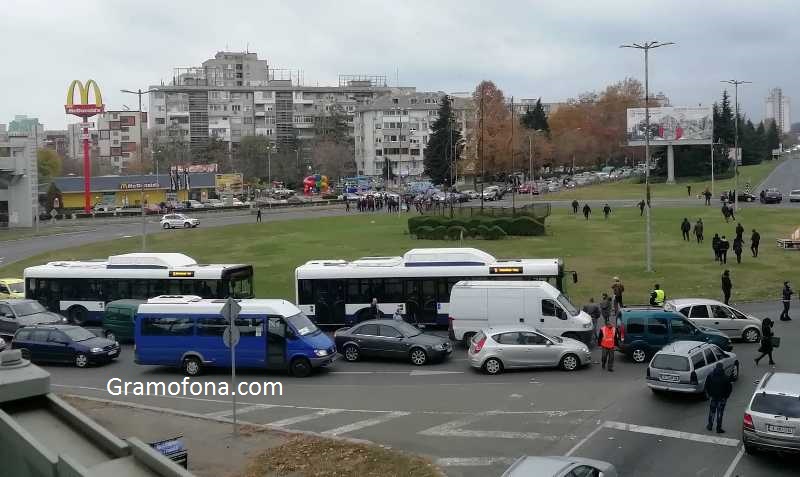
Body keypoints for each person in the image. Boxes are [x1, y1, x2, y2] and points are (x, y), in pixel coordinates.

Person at [705, 362, 733, 433]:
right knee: (720, 413)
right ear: (722, 368)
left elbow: (707, 385)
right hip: (722, 398)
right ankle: (718, 428)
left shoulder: (710, 376)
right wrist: (726, 396)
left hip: (713, 397)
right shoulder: (725, 377)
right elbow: (729, 388)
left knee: (712, 412)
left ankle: (710, 425)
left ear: (715, 367)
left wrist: (709, 394)